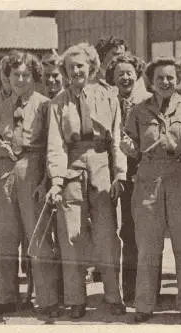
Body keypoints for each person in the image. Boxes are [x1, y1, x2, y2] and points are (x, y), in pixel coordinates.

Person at [45, 42, 128, 319]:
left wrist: (120, 173)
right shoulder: (58, 102)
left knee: (106, 235)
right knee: (71, 236)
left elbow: (116, 138)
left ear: (91, 67)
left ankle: (113, 296)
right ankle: (75, 299)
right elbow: (55, 144)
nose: (76, 71)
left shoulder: (108, 96)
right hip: (72, 167)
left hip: (102, 165)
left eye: (80, 66)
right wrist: (56, 180)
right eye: (70, 67)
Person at [0, 51, 61, 318]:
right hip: (4, 174)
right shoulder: (0, 109)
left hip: (33, 169)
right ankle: (5, 297)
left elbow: (54, 146)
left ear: (34, 77)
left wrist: (46, 180)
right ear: (8, 76)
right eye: (15, 74)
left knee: (38, 237)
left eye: (26, 74)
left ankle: (47, 299)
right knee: (4, 238)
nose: (20, 79)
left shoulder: (45, 105)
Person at [124, 57, 181, 323]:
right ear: (151, 82)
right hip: (148, 178)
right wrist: (129, 147)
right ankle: (144, 304)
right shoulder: (138, 110)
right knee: (148, 244)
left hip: (180, 176)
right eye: (160, 78)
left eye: (170, 77)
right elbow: (131, 145)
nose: (166, 82)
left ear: (177, 79)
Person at [107, 53, 152, 304]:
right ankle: (128, 290)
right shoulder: (108, 100)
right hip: (115, 168)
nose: (125, 77)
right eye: (119, 73)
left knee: (142, 229)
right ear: (112, 78)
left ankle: (146, 289)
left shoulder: (146, 101)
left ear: (137, 74)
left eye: (129, 72)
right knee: (125, 231)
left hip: (141, 167)